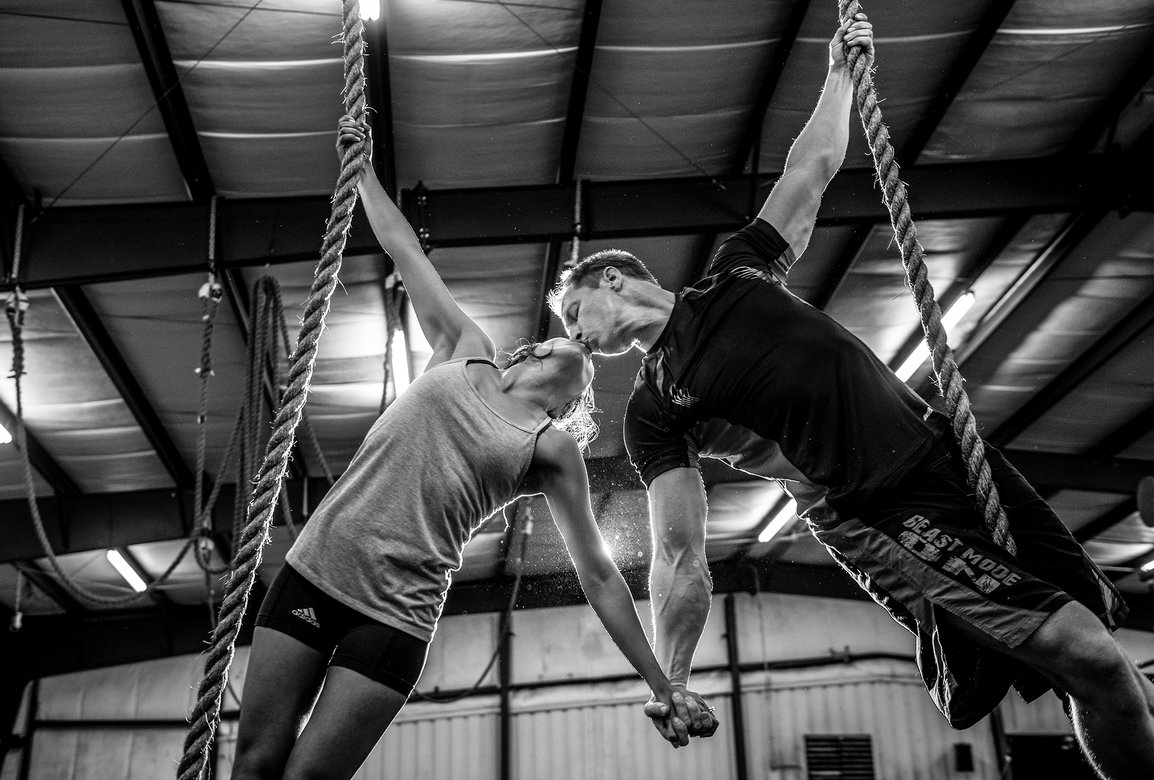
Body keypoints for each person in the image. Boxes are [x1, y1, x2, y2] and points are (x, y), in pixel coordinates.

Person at [552, 14, 1154, 780]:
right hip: (875, 508)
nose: (577, 336)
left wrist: (839, 74)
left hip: (949, 455)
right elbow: (678, 553)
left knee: (1103, 659)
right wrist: (672, 673)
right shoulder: (654, 408)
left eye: (574, 315)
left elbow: (810, 169)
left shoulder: (737, 273)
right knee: (1087, 653)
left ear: (610, 278)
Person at [229, 118, 701, 780]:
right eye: (568, 332)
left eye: (587, 346)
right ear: (536, 347)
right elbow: (401, 249)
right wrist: (361, 169)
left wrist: (660, 682)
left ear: (572, 403)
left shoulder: (552, 446)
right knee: (254, 764)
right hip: (317, 569)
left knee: (306, 778)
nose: (582, 341)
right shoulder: (465, 350)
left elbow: (598, 575)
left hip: (398, 613)